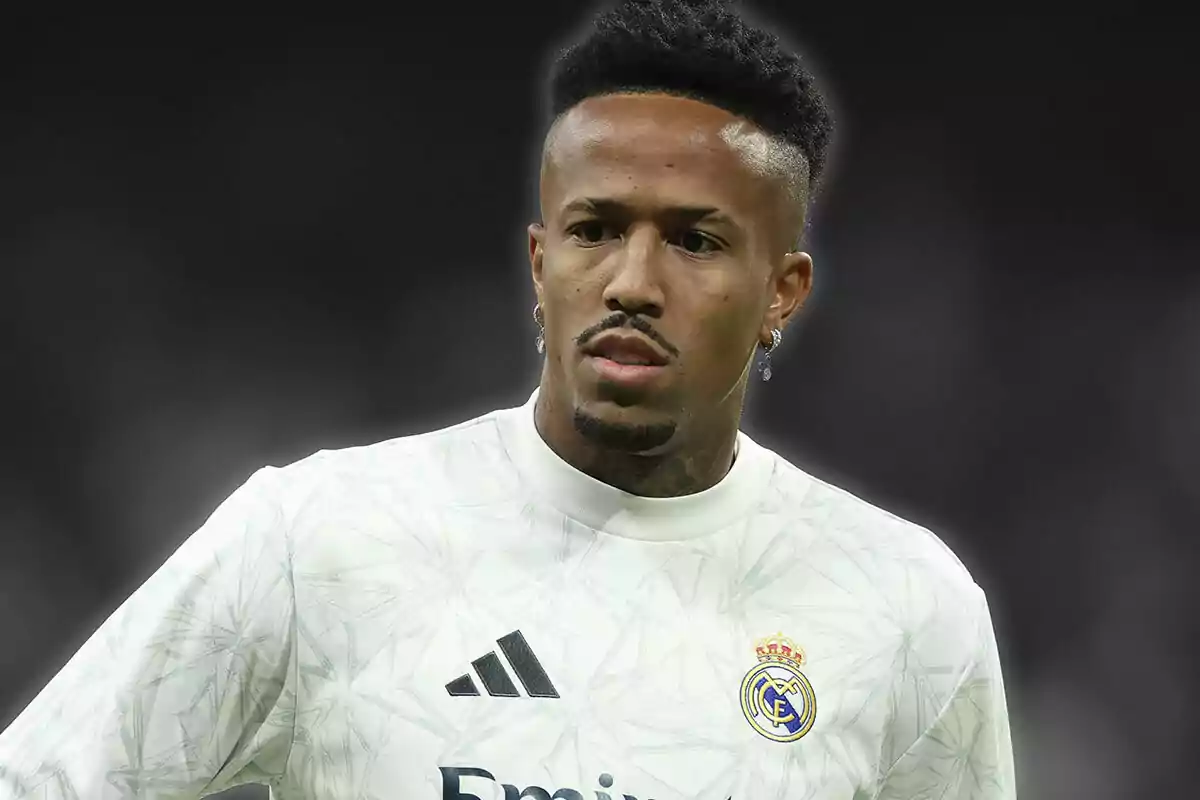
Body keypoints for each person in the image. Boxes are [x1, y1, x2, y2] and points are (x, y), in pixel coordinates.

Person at [0, 1, 1016, 798]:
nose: (631, 280)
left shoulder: (907, 607)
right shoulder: (324, 537)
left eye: (695, 240)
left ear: (782, 291)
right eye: (594, 230)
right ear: (540, 263)